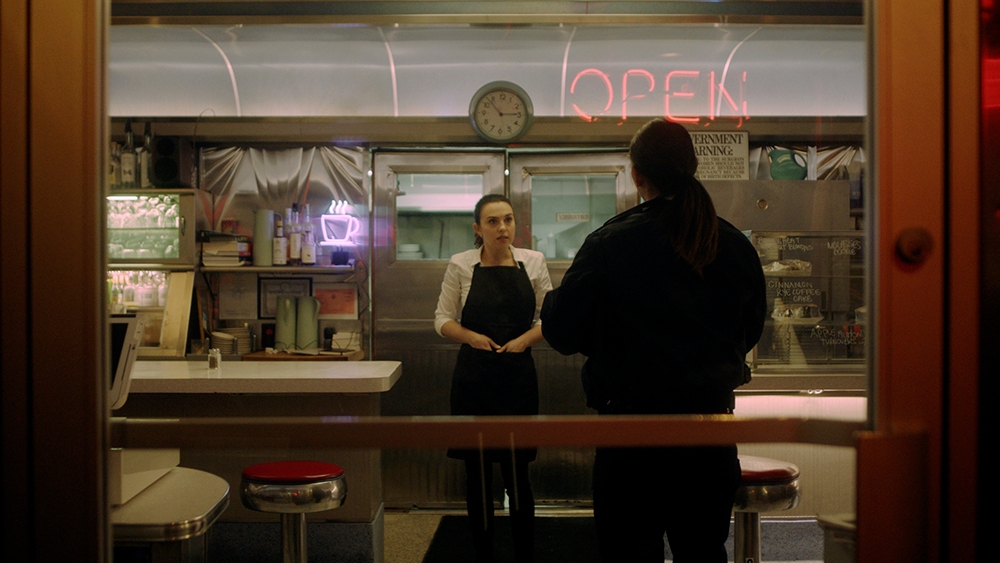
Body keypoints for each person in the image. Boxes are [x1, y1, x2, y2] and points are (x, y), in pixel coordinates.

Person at [540, 118, 767, 563]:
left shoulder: (610, 242)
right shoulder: (733, 243)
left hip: (630, 437)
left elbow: (562, 331)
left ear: (636, 174)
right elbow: (750, 329)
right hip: (708, 434)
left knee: (628, 555)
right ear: (694, 166)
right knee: (702, 554)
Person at [434, 193, 553, 563]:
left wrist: (524, 340)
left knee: (518, 474)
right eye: (493, 221)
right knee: (478, 475)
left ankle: (524, 555)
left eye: (508, 219)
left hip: (518, 377)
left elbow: (550, 318)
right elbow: (441, 319)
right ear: (478, 228)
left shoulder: (534, 261)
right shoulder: (460, 264)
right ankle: (483, 554)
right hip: (475, 378)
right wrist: (470, 337)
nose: (503, 228)